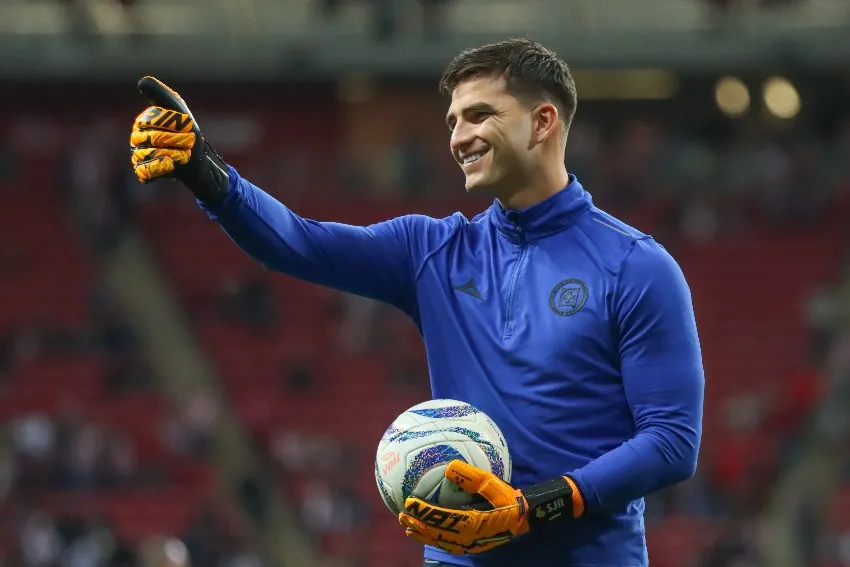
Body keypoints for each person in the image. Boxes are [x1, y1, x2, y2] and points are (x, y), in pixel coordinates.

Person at [128, 38, 704, 567]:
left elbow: (672, 442)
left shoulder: (637, 267)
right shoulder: (431, 251)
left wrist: (537, 506)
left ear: (542, 122)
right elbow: (300, 243)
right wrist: (208, 174)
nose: (458, 137)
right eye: (452, 121)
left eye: (480, 115)